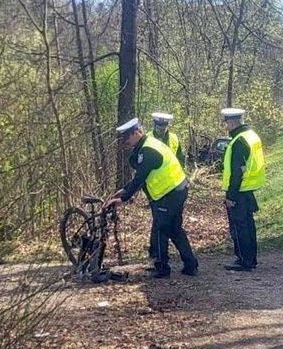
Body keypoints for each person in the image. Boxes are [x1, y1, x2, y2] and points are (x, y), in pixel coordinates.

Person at [105, 117, 198, 278]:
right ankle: (190, 264)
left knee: (161, 229)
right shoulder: (148, 145)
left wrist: (123, 198)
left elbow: (141, 177)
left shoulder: (148, 150)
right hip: (176, 189)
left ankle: (162, 268)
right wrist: (124, 190)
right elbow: (140, 176)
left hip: (169, 193)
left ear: (136, 133)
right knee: (174, 229)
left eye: (127, 137)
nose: (125, 142)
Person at [221, 107, 265, 271]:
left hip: (239, 190)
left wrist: (230, 196)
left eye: (227, 123)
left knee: (239, 228)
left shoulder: (239, 141)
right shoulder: (252, 136)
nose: (226, 127)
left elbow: (237, 172)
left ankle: (244, 260)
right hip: (249, 189)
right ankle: (251, 258)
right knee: (248, 226)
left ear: (232, 122)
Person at [147, 112, 185, 259]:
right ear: (154, 125)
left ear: (168, 126)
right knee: (158, 219)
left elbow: (180, 158)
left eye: (163, 126)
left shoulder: (174, 138)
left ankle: (161, 252)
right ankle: (155, 251)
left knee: (173, 220)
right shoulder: (149, 138)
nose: (161, 129)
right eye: (158, 126)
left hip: (174, 186)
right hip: (155, 187)